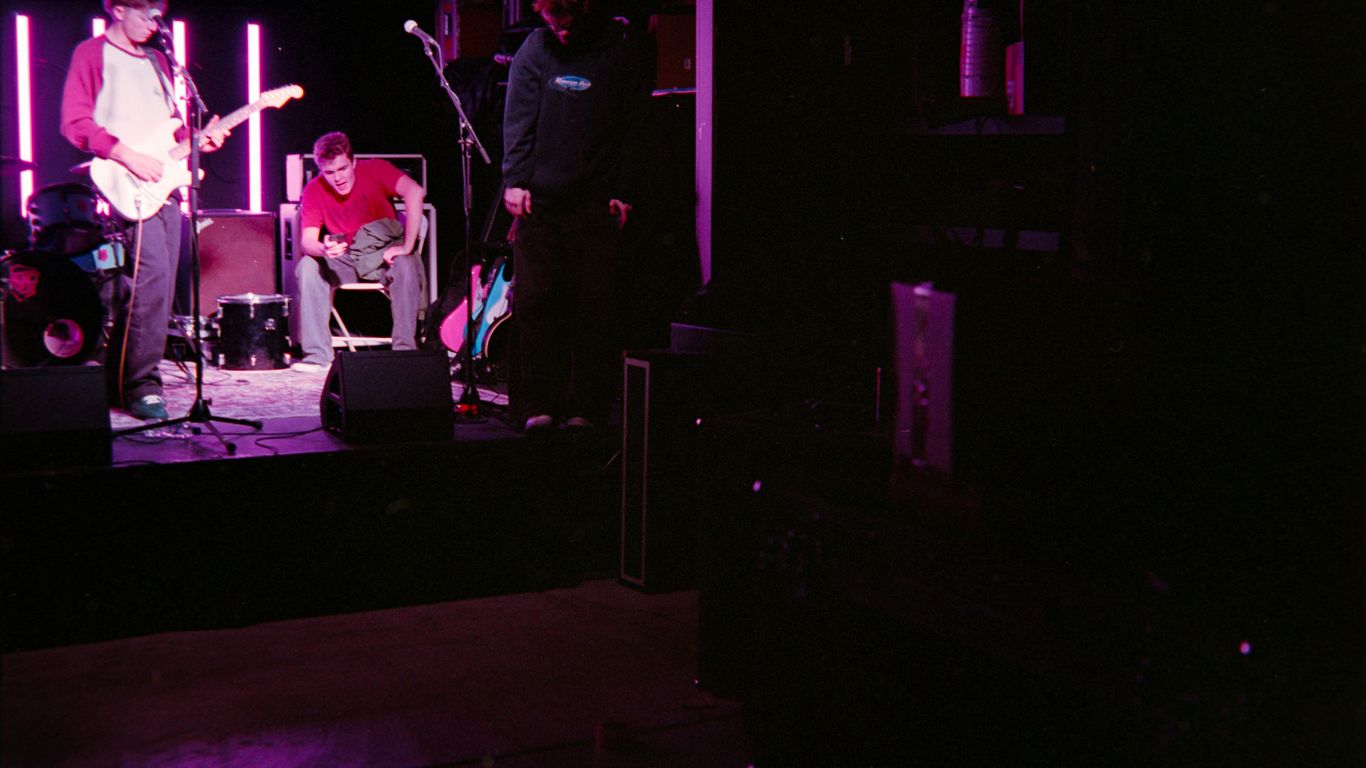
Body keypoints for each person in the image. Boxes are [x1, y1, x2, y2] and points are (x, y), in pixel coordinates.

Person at [60, 0, 227, 420]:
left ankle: (115, 383)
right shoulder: (91, 53)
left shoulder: (157, 61)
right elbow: (74, 122)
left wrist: (199, 139)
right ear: (117, 10)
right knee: (150, 280)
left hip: (163, 183)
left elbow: (170, 127)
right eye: (144, 14)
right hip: (123, 179)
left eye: (158, 15)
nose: (154, 24)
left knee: (158, 287)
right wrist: (127, 155)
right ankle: (142, 386)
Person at [501, 0, 652, 432]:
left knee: (594, 311)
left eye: (565, 21)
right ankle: (535, 407)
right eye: (550, 21)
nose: (559, 31)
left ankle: (586, 406)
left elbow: (633, 127)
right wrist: (514, 178)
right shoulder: (535, 50)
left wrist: (624, 189)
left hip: (595, 201)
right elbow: (518, 122)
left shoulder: (619, 52)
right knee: (535, 306)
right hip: (541, 203)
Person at [293, 131, 426, 369]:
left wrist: (407, 245)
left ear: (353, 162)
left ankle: (404, 352)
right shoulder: (314, 189)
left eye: (343, 169)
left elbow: (415, 191)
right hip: (345, 258)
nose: (338, 178)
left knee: (406, 263)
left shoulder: (375, 170)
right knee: (308, 265)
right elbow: (307, 241)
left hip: (382, 255)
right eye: (329, 173)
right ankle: (317, 356)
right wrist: (323, 248)